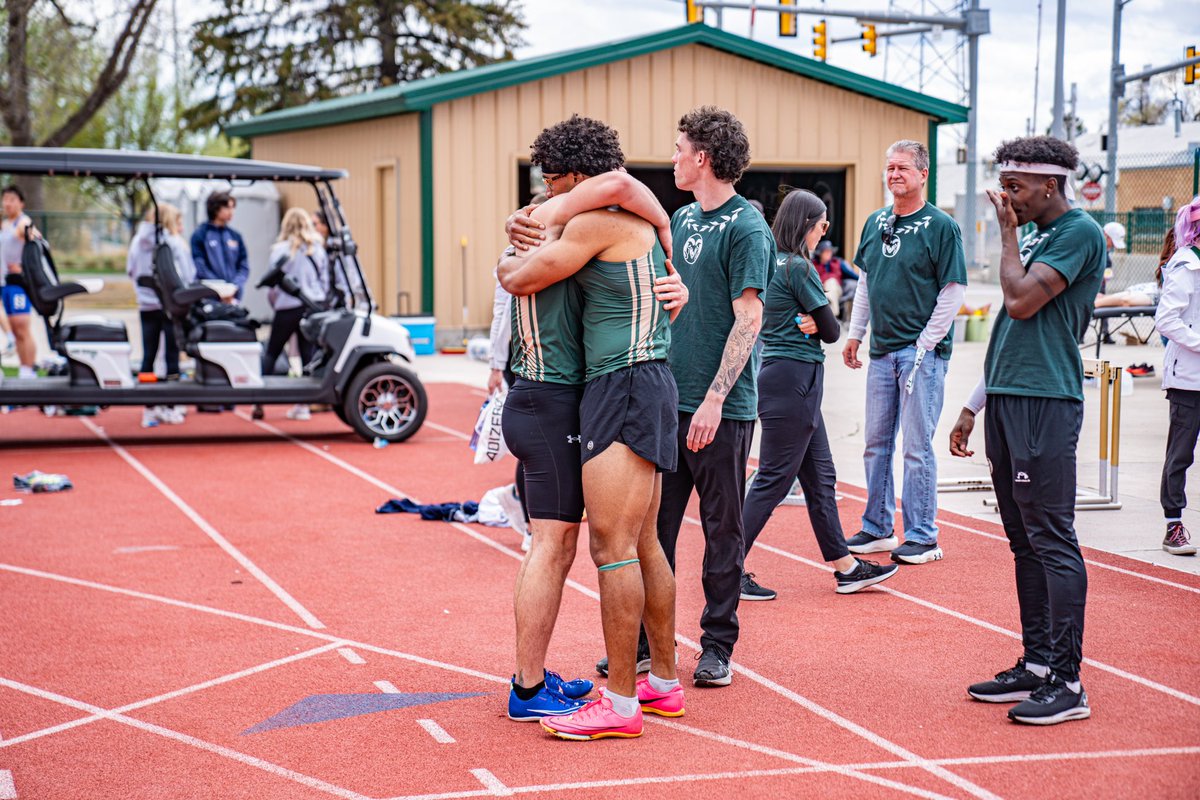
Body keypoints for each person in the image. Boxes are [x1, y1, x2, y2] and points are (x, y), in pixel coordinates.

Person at [498, 118, 686, 741]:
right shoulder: (630, 223)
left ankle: (623, 704)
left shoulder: (593, 219)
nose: (545, 189)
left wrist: (524, 230)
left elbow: (519, 277)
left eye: (552, 178)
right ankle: (660, 682)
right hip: (641, 382)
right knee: (648, 542)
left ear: (576, 176)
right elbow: (631, 193)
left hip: (623, 384)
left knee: (612, 550)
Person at [949, 134, 1105, 726]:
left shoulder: (1078, 233)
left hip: (1046, 400)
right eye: (1004, 184)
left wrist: (1008, 234)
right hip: (1010, 399)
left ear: (1052, 183)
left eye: (1016, 185)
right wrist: (972, 404)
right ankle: (1037, 664)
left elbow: (1018, 303)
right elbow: (1007, 334)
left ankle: (1068, 681)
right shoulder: (1041, 234)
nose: (1005, 196)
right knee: (1022, 539)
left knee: (1051, 536)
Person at [652, 106, 775, 688]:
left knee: (722, 531)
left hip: (718, 410)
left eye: (678, 148)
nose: (671, 157)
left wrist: (714, 399)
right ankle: (652, 642)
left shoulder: (748, 226)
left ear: (701, 157)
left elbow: (748, 318)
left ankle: (717, 646)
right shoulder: (678, 218)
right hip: (666, 400)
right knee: (654, 531)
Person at [740, 189, 899, 599]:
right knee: (773, 479)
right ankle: (727, 567)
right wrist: (816, 316)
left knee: (820, 477)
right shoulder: (797, 267)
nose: (824, 232)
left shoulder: (768, 263)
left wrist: (813, 318)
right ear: (807, 225)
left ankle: (846, 567)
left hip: (781, 378)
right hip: (795, 380)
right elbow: (831, 331)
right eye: (822, 225)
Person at [841, 140, 967, 565]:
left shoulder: (940, 226)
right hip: (881, 352)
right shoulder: (876, 222)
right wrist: (856, 332)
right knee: (876, 444)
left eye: (903, 168)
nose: (894, 174)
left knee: (916, 447)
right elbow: (866, 282)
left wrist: (925, 344)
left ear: (922, 174)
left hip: (922, 356)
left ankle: (923, 535)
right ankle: (877, 527)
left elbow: (953, 291)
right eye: (889, 167)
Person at [1156, 196, 1200, 557]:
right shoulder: (1186, 266)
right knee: (1180, 455)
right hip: (1188, 379)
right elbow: (1167, 319)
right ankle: (1173, 524)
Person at [126, 202, 192, 426]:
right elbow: (186, 273)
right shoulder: (172, 243)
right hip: (169, 305)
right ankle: (170, 405)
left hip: (146, 304)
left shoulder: (137, 241)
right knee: (171, 355)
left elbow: (131, 269)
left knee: (148, 356)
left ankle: (149, 408)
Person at [261, 208, 328, 420]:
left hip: (286, 307)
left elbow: (272, 286)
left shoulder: (280, 250)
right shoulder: (317, 249)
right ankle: (304, 404)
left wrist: (276, 304)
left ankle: (258, 400)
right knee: (308, 354)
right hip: (311, 307)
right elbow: (324, 281)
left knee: (272, 351)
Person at [1, 185, 39, 378]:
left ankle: (28, 370)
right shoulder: (5, 224)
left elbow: (33, 235)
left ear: (21, 203)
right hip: (5, 282)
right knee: (14, 330)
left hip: (18, 283)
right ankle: (24, 369)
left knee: (22, 327)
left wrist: (24, 265)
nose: (7, 203)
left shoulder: (22, 222)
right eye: (5, 199)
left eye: (12, 199)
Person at [191, 191, 250, 301]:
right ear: (216, 208)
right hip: (210, 297)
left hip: (233, 297)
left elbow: (244, 266)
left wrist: (234, 286)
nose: (231, 212)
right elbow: (199, 267)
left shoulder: (235, 236)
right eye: (227, 207)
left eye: (233, 208)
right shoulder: (200, 235)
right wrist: (221, 288)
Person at [812, 239, 858, 315]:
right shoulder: (813, 265)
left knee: (831, 282)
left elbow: (853, 275)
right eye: (826, 251)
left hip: (837, 289)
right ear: (820, 253)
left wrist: (866, 280)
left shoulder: (838, 262)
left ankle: (831, 312)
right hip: (821, 290)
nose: (829, 253)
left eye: (830, 251)